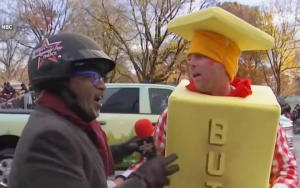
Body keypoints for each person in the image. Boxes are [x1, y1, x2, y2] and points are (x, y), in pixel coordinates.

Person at [115, 13, 299, 188]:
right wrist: (122, 181)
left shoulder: (263, 115)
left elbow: (287, 170)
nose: (191, 62)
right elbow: (150, 164)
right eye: (190, 57)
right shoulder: (174, 113)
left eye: (200, 56)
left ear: (224, 63)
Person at [8, 32, 179, 188]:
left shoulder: (66, 124)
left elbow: (83, 162)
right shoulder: (48, 138)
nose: (103, 86)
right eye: (94, 77)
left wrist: (122, 150)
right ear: (62, 81)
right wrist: (144, 179)